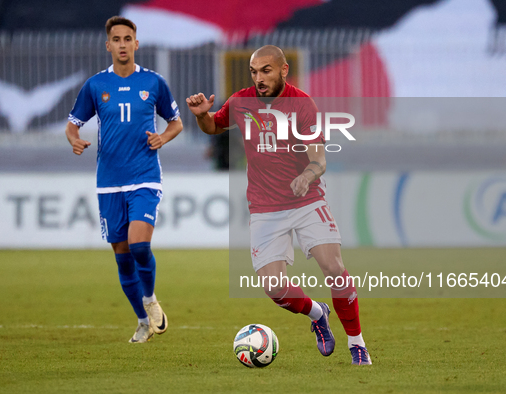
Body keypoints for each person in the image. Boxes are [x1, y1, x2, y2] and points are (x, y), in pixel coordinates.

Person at [186, 45, 372, 365]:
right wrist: (203, 115)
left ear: (283, 70)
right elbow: (215, 127)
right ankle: (317, 314)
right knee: (275, 289)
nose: (259, 78)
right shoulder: (241, 101)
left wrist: (307, 176)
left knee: (334, 268)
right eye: (254, 72)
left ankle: (357, 343)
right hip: (264, 208)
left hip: (306, 200)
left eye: (266, 71)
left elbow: (319, 160)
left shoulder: (302, 105)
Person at [65, 16, 182, 343]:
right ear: (108, 45)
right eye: (116, 39)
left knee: (139, 245)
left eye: (127, 38)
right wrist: (73, 139)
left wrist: (163, 138)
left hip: (144, 176)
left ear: (136, 43)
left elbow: (176, 122)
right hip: (109, 182)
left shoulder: (154, 82)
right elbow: (72, 124)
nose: (122, 44)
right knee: (121, 254)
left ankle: (149, 298)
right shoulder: (96, 85)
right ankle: (143, 321)